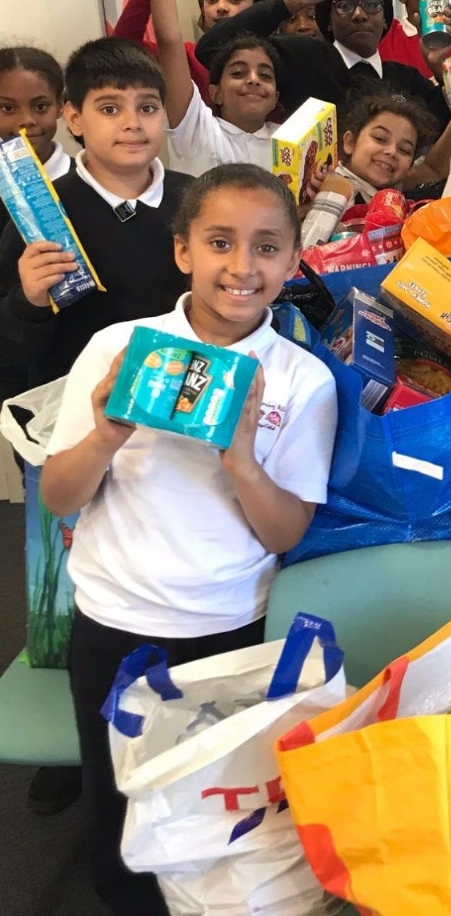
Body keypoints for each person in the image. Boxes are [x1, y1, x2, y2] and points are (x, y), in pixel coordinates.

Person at [41, 163, 337, 915]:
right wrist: (106, 434)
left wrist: (240, 453)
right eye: (219, 242)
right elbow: (57, 496)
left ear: (293, 261)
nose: (242, 267)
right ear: (183, 253)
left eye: (267, 247)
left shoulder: (303, 379)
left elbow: (285, 530)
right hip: (116, 627)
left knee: (220, 821)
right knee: (124, 823)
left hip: (232, 628)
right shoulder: (122, 347)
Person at [0, 39, 190, 391]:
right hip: (74, 419)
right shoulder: (37, 222)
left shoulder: (196, 200)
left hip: (173, 406)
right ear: (73, 118)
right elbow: (9, 355)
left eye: (147, 108)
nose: (133, 123)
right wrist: (29, 301)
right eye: (109, 109)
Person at [0, 46, 84, 817]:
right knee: (56, 576)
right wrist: (26, 304)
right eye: (6, 108)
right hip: (39, 411)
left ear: (64, 107)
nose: (26, 123)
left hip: (120, 402)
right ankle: (71, 739)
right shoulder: (5, 200)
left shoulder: (90, 186)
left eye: (38, 105)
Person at [193, 0, 450, 133]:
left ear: (385, 17)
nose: (360, 14)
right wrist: (287, 3)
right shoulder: (302, 57)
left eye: (372, 5)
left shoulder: (405, 79)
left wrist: (440, 68)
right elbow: (213, 48)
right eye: (345, 5)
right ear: (327, 19)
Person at [148, 0, 284, 174]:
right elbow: (169, 41)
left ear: (275, 97)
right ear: (215, 92)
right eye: (238, 72)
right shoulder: (197, 130)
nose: (253, 79)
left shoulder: (289, 141)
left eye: (266, 75)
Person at [113, 0, 267, 93]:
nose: (221, 7)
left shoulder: (275, 58)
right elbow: (121, 49)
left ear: (258, 7)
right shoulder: (184, 58)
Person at [336, 90, 440, 201]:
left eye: (404, 150)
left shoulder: (391, 190)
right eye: (380, 138)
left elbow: (433, 169)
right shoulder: (330, 190)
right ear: (350, 142)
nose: (392, 152)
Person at [0, 47, 70, 184]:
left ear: (60, 105)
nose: (27, 121)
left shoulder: (88, 182)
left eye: (40, 107)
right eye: (8, 108)